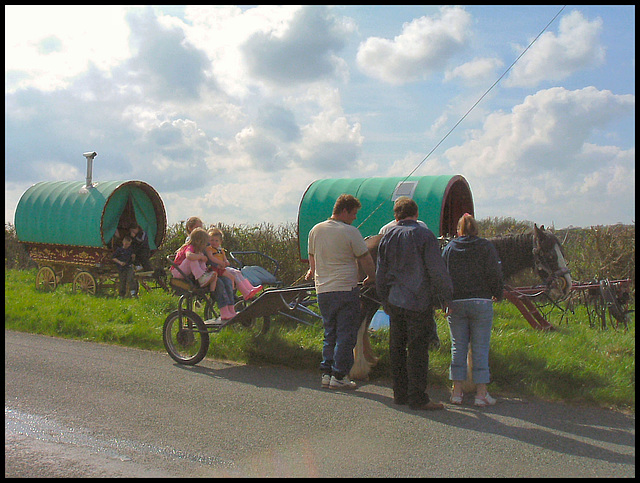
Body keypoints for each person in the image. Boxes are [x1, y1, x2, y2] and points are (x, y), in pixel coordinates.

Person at [376, 197, 453, 410]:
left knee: (397, 348)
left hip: (395, 300)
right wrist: (445, 297)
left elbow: (380, 272)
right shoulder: (424, 235)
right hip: (418, 300)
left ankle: (399, 393)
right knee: (418, 349)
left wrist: (384, 299)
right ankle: (418, 397)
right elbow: (436, 270)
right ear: (416, 214)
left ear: (396, 216)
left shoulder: (387, 236)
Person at [305, 194, 376, 390]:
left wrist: (314, 273)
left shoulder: (315, 230)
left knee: (330, 333)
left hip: (323, 291)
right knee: (347, 334)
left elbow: (313, 260)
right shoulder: (351, 232)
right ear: (344, 211)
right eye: (353, 213)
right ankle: (340, 374)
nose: (355, 218)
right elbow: (366, 259)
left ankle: (326, 373)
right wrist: (371, 277)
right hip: (345, 288)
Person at [442, 213, 504, 407]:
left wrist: (444, 301)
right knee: (480, 348)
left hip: (456, 302)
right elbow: (495, 272)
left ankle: (457, 392)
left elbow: (442, 274)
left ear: (458, 230)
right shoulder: (486, 247)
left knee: (457, 347)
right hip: (481, 301)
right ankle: (481, 394)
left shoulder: (450, 248)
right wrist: (497, 293)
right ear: (476, 229)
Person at [206, 227, 263, 302]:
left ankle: (250, 288)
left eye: (216, 240)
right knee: (232, 276)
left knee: (238, 272)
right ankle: (241, 293)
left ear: (220, 242)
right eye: (212, 240)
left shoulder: (220, 250)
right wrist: (221, 263)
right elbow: (211, 258)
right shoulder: (210, 249)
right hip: (216, 268)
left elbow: (224, 258)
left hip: (222, 267)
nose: (214, 242)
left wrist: (226, 262)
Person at [170, 227, 217, 295]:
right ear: (198, 241)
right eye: (204, 243)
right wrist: (200, 257)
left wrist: (202, 258)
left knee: (198, 255)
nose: (204, 246)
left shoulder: (197, 251)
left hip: (183, 271)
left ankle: (204, 273)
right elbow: (189, 256)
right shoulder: (189, 247)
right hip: (178, 272)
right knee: (193, 258)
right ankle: (201, 277)